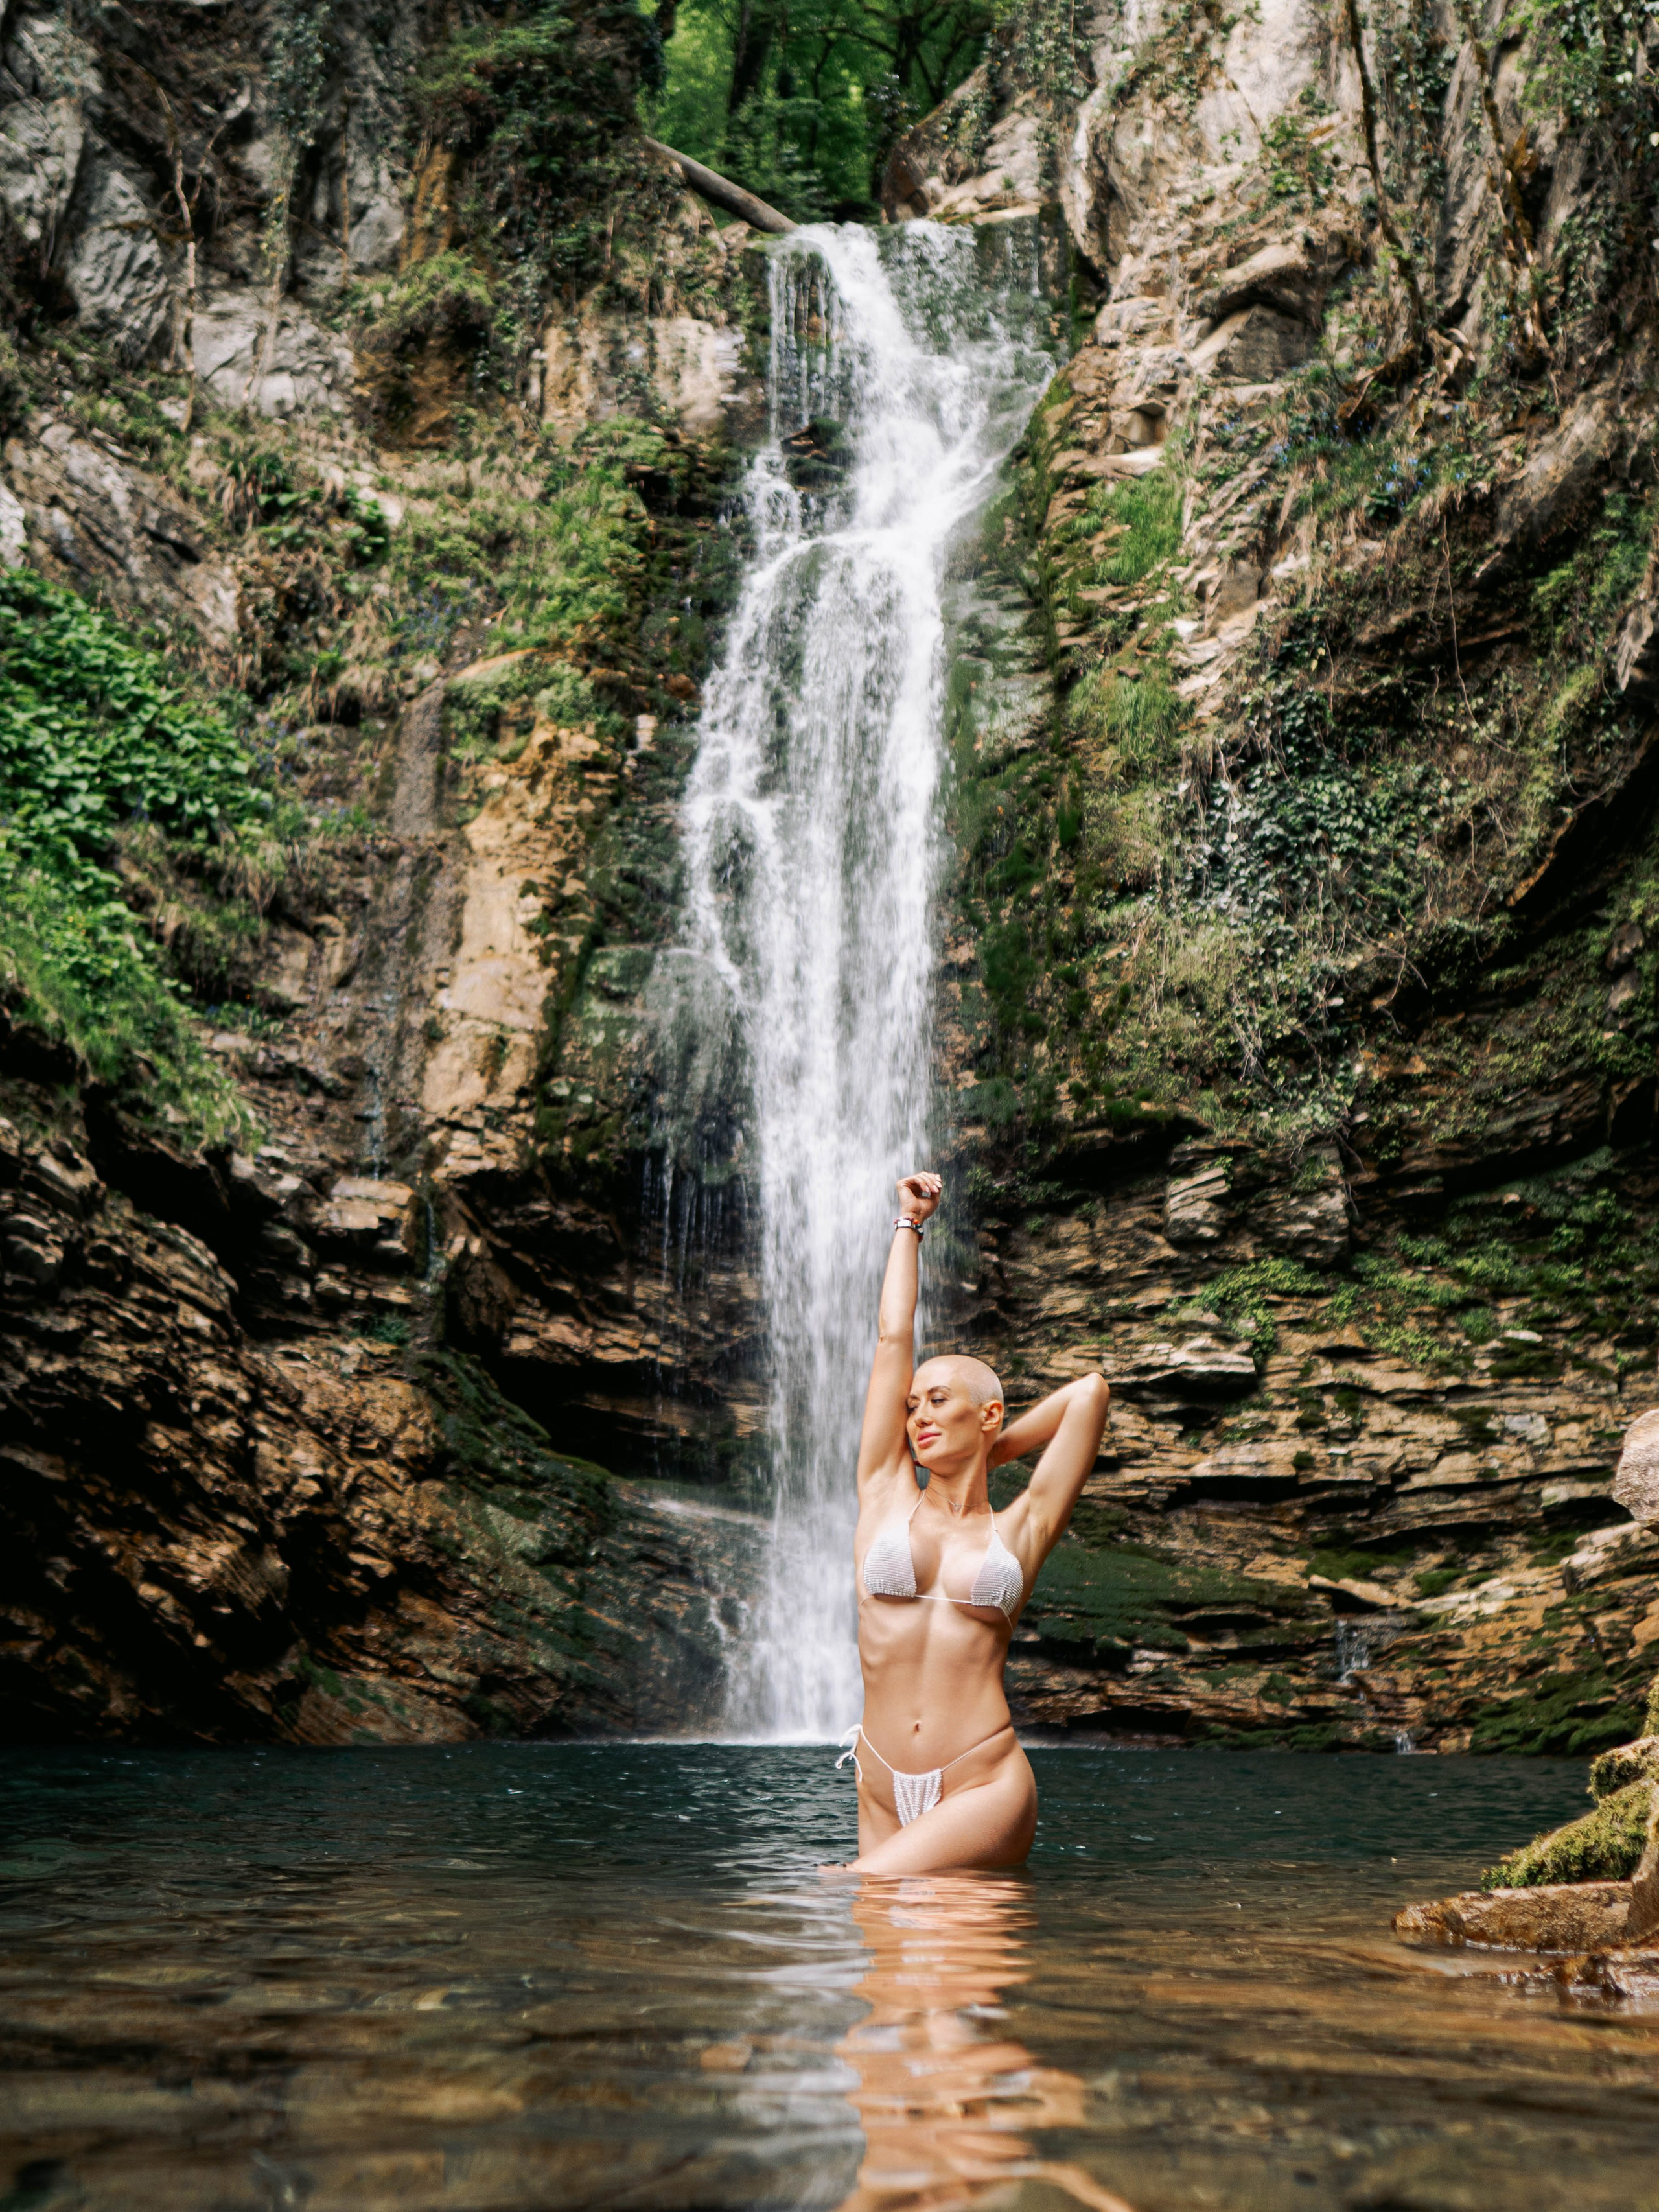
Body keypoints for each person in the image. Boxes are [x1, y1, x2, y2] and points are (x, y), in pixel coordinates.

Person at [835, 1170, 1110, 1876]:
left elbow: (1089, 1394)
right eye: (912, 1407)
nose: (918, 1417)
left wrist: (992, 1449)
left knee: (849, 1887)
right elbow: (892, 1336)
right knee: (893, 1947)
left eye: (938, 1400)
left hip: (983, 1781)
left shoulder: (1021, 1529)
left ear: (987, 1413)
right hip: (880, 1785)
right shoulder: (884, 1491)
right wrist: (909, 1224)